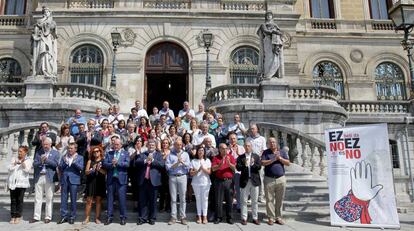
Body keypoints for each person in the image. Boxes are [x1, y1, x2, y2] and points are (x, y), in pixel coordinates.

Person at [261, 137, 290, 225]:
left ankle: (278, 217)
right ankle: (271, 217)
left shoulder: (282, 152)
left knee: (279, 199)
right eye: (270, 142)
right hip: (269, 178)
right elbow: (263, 163)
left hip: (281, 179)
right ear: (268, 144)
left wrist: (280, 158)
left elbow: (288, 163)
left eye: (273, 142)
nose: (272, 144)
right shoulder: (266, 152)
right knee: (269, 199)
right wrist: (273, 160)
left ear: (276, 143)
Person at [135, 140, 164, 225]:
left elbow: (162, 165)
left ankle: (152, 218)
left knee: (153, 201)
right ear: (147, 145)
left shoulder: (158, 155)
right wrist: (145, 161)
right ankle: (142, 218)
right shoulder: (142, 154)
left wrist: (153, 160)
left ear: (155, 146)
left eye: (153, 145)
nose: (151, 146)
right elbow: (137, 162)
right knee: (142, 201)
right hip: (143, 181)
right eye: (149, 144)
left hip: (154, 182)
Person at [102, 137, 129, 225]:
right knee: (110, 199)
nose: (116, 146)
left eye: (118, 144)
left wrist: (118, 163)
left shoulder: (125, 153)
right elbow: (104, 164)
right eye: (114, 144)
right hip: (111, 179)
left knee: (122, 199)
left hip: (121, 180)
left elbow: (127, 164)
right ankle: (109, 217)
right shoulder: (109, 153)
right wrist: (112, 164)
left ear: (121, 145)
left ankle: (123, 217)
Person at [165, 138, 191, 225]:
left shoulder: (186, 154)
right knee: (173, 198)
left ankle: (183, 217)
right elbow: (167, 167)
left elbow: (188, 167)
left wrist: (182, 162)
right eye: (177, 144)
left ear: (182, 145)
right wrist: (177, 163)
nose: (178, 146)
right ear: (174, 145)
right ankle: (173, 217)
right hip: (172, 177)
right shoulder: (170, 155)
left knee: (183, 198)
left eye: (180, 145)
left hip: (183, 177)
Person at [58, 142, 84, 224]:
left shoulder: (80, 157)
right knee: (63, 199)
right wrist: (65, 162)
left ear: (75, 149)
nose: (69, 150)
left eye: (71, 148)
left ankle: (72, 216)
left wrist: (74, 162)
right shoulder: (64, 157)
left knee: (73, 199)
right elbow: (60, 168)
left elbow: (81, 168)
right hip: (65, 180)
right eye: (68, 148)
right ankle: (63, 216)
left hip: (74, 180)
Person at [236, 141, 261, 225]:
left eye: (249, 146)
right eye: (246, 146)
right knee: (243, 201)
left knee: (255, 201)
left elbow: (259, 167)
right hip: (244, 181)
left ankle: (255, 218)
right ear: (244, 147)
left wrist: (253, 163)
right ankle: (244, 218)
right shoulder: (241, 157)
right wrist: (244, 165)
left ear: (251, 147)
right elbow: (238, 168)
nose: (247, 147)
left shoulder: (256, 156)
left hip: (254, 181)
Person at [7, 145, 33, 224]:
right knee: (13, 200)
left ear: (25, 152)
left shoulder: (28, 160)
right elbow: (9, 168)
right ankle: (12, 216)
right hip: (13, 182)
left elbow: (27, 171)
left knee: (19, 200)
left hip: (21, 183)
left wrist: (23, 165)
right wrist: (14, 164)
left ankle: (18, 216)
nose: (19, 153)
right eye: (18, 151)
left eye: (21, 151)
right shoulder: (14, 159)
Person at [212, 143, 236, 224]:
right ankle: (218, 217)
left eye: (226, 148)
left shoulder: (231, 157)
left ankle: (229, 218)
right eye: (223, 148)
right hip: (219, 181)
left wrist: (229, 164)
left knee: (229, 200)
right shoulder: (216, 158)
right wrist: (220, 165)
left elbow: (234, 168)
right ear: (219, 149)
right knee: (218, 200)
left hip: (229, 181)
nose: (225, 150)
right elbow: (213, 169)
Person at [83, 146, 106, 224]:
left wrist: (99, 169)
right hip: (91, 181)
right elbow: (86, 172)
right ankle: (87, 218)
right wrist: (92, 169)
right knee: (89, 200)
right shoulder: (90, 161)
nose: (96, 153)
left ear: (100, 152)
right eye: (94, 152)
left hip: (100, 182)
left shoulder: (103, 161)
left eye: (97, 151)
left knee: (98, 200)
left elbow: (105, 173)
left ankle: (97, 218)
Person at [32, 6, 57, 77]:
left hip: (48, 40)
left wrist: (46, 23)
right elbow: (36, 29)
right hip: (41, 40)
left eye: (47, 12)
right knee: (41, 53)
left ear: (50, 13)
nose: (46, 13)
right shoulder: (39, 21)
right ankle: (40, 71)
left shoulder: (52, 22)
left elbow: (52, 29)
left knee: (47, 54)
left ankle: (47, 70)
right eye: (45, 12)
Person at [257, 11, 283, 80]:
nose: (269, 16)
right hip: (267, 41)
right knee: (268, 57)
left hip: (274, 43)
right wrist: (273, 31)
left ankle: (273, 74)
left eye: (270, 15)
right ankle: (267, 74)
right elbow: (265, 31)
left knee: (275, 58)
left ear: (272, 17)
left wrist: (277, 32)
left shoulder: (275, 25)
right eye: (267, 15)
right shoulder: (263, 25)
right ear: (265, 17)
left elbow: (280, 33)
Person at [190, 146, 211, 224]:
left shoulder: (207, 160)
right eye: (199, 150)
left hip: (206, 183)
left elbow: (209, 172)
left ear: (204, 152)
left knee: (205, 199)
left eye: (202, 150)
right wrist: (198, 170)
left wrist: (203, 169)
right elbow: (191, 173)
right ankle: (199, 216)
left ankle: (205, 216)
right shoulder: (193, 161)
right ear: (197, 152)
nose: (200, 152)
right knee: (198, 199)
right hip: (196, 183)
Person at [246, 124, 268, 202]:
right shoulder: (248, 139)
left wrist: (257, 158)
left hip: (259, 161)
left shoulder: (262, 139)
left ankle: (261, 196)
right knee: (251, 179)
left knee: (260, 179)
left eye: (253, 129)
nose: (252, 130)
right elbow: (247, 149)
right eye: (251, 129)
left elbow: (264, 150)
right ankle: (251, 197)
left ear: (257, 130)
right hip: (250, 161)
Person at [158, 139, 171, 213]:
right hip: (161, 173)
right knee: (162, 191)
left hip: (169, 173)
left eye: (166, 143)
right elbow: (158, 162)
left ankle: (168, 207)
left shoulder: (171, 152)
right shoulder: (159, 153)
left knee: (169, 191)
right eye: (163, 143)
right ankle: (161, 206)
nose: (165, 144)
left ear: (168, 144)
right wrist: (164, 157)